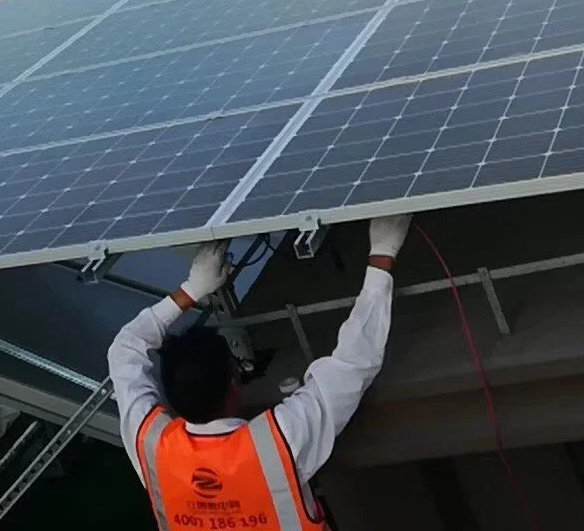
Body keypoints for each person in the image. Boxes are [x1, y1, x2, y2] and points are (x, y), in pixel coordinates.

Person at [108, 216, 411, 530]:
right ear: (234, 381)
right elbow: (353, 362)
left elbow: (124, 351)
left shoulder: (153, 449)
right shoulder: (278, 443)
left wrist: (192, 288)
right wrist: (382, 253)